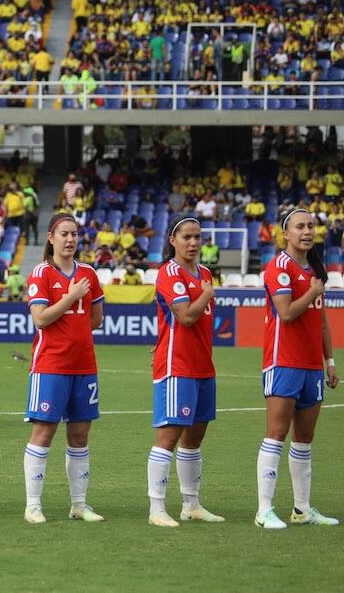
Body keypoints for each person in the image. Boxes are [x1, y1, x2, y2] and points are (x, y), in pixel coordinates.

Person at [255, 208, 339, 529]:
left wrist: (329, 362)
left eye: (311, 226)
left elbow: (322, 323)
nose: (307, 231)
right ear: (285, 234)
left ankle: (302, 509)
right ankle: (264, 510)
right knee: (276, 433)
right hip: (283, 362)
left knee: (305, 439)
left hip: (311, 367)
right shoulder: (279, 267)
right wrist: (314, 291)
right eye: (300, 226)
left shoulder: (316, 269)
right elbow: (287, 313)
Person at [23, 213, 105, 524]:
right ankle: (33, 505)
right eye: (64, 234)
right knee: (43, 432)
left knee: (80, 434)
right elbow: (40, 318)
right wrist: (71, 297)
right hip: (50, 365)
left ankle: (79, 505)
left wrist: (77, 310)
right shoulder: (41, 273)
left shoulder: (88, 273)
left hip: (84, 366)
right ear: (51, 238)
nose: (70, 239)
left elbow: (96, 318)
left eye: (74, 234)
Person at [146, 216, 224, 527]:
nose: (193, 242)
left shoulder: (204, 272)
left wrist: (205, 290)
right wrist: (206, 294)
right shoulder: (169, 272)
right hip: (177, 366)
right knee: (169, 435)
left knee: (195, 436)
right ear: (173, 239)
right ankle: (156, 509)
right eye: (187, 237)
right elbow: (185, 316)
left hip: (203, 365)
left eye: (197, 237)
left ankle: (191, 504)